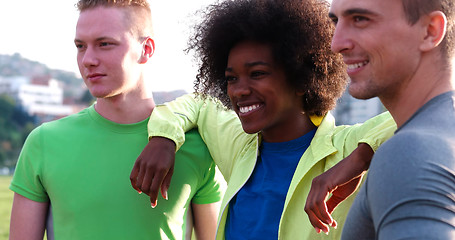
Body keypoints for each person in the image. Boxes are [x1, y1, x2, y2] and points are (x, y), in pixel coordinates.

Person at [130, 0, 396, 239]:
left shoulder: (346, 147)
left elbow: (424, 113)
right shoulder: (238, 143)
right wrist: (164, 138)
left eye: (257, 73)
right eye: (231, 78)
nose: (239, 90)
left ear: (301, 79)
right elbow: (197, 104)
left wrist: (360, 158)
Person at [8, 0, 225, 239]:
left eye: (104, 44)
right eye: (81, 46)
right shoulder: (44, 143)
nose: (88, 59)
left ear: (147, 49)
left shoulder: (195, 146)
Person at [305, 0, 455, 239]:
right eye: (335, 21)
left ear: (430, 31)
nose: (336, 44)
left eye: (360, 19)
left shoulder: (410, 154)